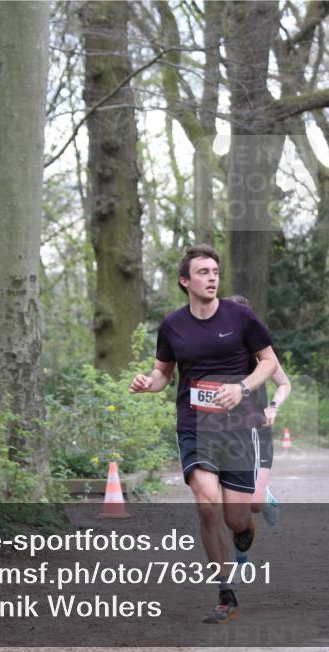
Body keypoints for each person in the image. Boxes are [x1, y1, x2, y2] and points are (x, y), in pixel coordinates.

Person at [130, 244, 279, 624]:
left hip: (238, 427)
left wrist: (243, 389)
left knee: (235, 518)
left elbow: (269, 363)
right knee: (206, 502)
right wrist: (150, 383)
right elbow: (164, 371)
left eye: (215, 271)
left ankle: (245, 529)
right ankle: (225, 594)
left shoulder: (240, 316)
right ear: (185, 281)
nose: (212, 277)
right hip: (196, 425)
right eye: (203, 272)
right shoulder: (173, 326)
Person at [225, 295, 291, 528]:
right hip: (227, 431)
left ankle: (266, 496)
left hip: (258, 429)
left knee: (255, 505)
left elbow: (284, 384)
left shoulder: (262, 353)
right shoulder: (217, 352)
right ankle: (240, 560)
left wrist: (273, 407)